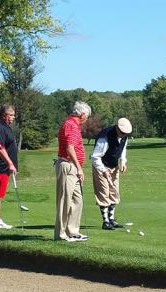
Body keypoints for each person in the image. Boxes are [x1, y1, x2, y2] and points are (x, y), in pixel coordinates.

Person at [54, 101, 92, 242]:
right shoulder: (71, 125)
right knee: (65, 201)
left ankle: (73, 231)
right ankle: (61, 235)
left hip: (72, 167)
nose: (86, 120)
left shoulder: (72, 125)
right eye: (86, 117)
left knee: (77, 200)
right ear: (82, 115)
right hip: (68, 166)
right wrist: (79, 168)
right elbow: (70, 148)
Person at [91, 117, 132, 230]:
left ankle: (112, 219)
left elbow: (122, 150)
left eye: (126, 133)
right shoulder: (105, 136)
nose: (124, 135)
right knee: (104, 192)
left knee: (114, 192)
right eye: (122, 133)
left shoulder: (124, 136)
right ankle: (105, 222)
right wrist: (103, 170)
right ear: (117, 128)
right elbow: (95, 157)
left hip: (114, 166)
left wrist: (123, 161)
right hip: (101, 166)